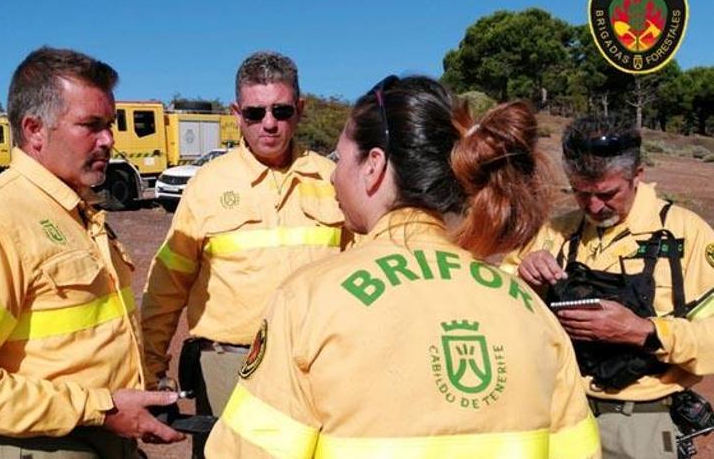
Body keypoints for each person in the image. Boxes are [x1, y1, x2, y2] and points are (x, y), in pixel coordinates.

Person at [206, 75, 601, 458]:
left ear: (373, 165)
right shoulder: (529, 309)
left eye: (339, 159)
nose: (333, 177)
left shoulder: (307, 301)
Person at [0, 47, 184, 458]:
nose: (109, 140)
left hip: (101, 436)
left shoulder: (78, 213)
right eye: (90, 125)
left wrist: (132, 399)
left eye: (109, 125)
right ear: (34, 129)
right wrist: (104, 408)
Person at [140, 51, 347, 457]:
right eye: (255, 113)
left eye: (281, 110)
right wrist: (151, 369)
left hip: (317, 368)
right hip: (227, 369)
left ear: (299, 110)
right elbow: (168, 284)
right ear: (236, 114)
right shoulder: (208, 185)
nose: (269, 123)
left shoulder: (334, 179)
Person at [504, 116, 714, 459]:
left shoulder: (685, 234)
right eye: (580, 193)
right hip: (562, 418)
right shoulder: (554, 232)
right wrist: (524, 279)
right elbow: (497, 306)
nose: (594, 207)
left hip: (641, 425)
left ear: (638, 176)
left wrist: (642, 331)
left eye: (607, 193)